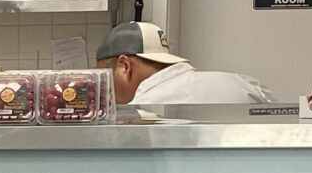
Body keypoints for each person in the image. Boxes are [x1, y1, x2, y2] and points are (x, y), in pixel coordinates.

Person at [95, 20, 271, 111]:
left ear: (124, 66)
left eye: (104, 79)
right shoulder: (243, 84)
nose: (105, 93)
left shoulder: (143, 112)